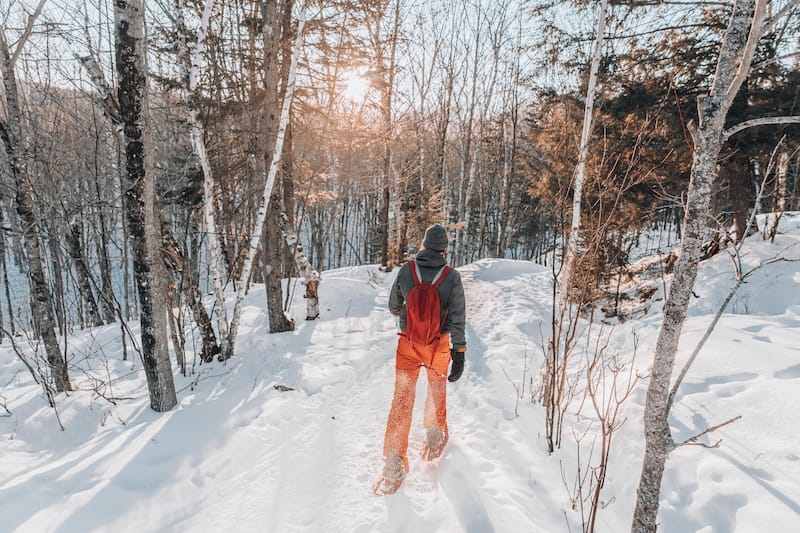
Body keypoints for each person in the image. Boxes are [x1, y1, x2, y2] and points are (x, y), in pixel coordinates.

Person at [373, 223, 467, 495]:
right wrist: (458, 353)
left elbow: (393, 306)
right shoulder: (451, 277)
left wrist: (408, 311)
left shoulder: (407, 270)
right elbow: (458, 319)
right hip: (438, 345)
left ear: (424, 245)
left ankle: (393, 461)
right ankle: (435, 436)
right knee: (436, 389)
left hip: (408, 344)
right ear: (444, 250)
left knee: (402, 398)